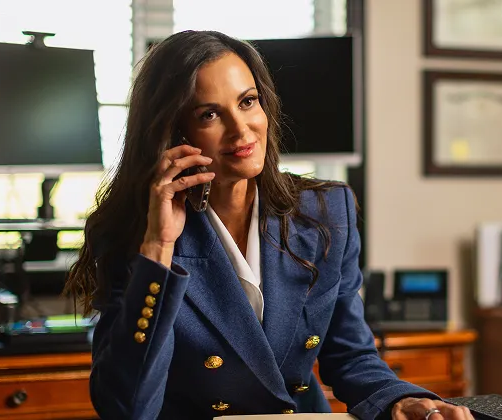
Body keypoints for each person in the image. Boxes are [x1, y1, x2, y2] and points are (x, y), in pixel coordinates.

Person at [65, 30, 472, 420]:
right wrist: (158, 247)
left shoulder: (326, 210)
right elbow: (128, 408)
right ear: (173, 132)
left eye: (248, 102)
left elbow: (350, 356)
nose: (242, 130)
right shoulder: (129, 232)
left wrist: (402, 399)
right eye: (209, 114)